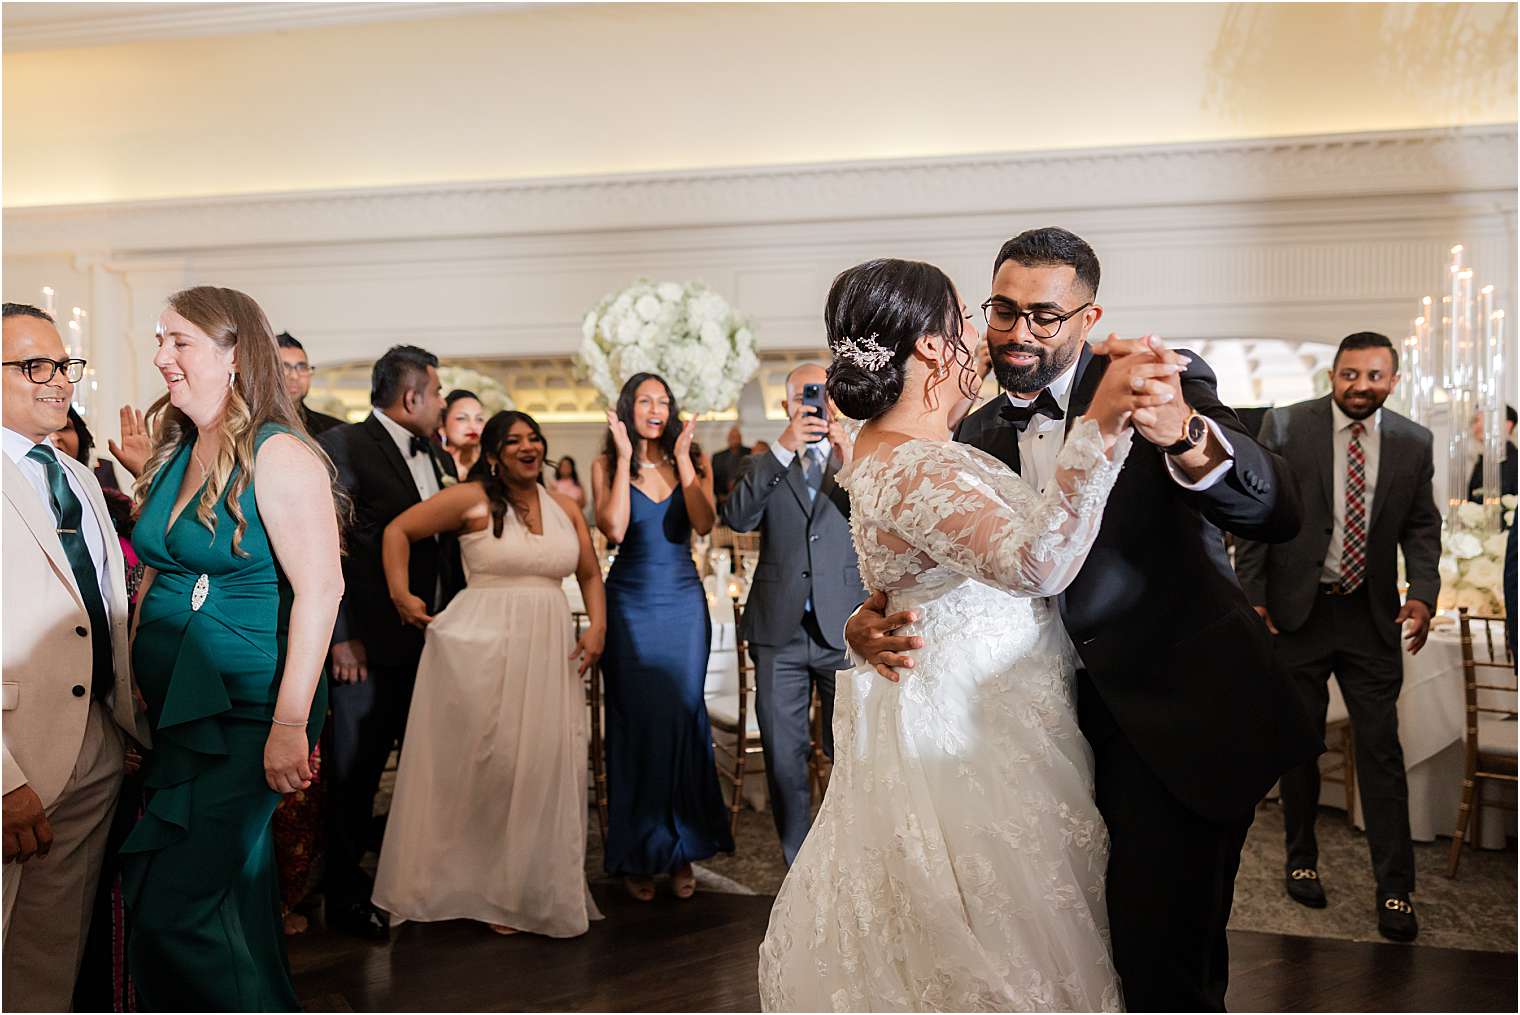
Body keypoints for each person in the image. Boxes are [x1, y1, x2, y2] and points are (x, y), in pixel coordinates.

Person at [843, 228, 1314, 1010]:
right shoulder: (968, 429)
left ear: (1088, 317)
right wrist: (869, 616)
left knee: (1164, 966)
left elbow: (1281, 508)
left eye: (1044, 316)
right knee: (1064, 954)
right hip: (1032, 740)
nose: (1018, 332)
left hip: (1169, 723)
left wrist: (1186, 436)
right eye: (1002, 310)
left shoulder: (1151, 383)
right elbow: (921, 548)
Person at [759, 258, 1190, 1009]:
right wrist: (1102, 424)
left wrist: (862, 616)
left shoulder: (905, 444)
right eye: (964, 316)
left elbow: (907, 572)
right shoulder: (909, 461)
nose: (981, 332)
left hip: (1017, 714)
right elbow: (1037, 561)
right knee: (988, 943)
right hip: (964, 739)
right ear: (929, 346)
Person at [117, 286, 342, 1010]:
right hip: (180, 711)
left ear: (235, 353)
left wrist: (289, 727)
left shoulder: (281, 455)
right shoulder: (182, 447)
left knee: (175, 910)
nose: (161, 358)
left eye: (179, 342)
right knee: (229, 902)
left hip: (245, 716)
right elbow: (157, 571)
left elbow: (322, 592)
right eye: (161, 340)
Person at [1235, 331, 1442, 943]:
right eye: (1350, 374)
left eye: (1374, 376)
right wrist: (1253, 594)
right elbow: (1257, 513)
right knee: (1300, 745)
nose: (1360, 387)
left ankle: (1396, 888)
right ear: (1334, 374)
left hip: (1370, 617)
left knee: (1381, 750)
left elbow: (1422, 527)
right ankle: (1300, 857)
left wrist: (1423, 592)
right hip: (1298, 612)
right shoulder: (1286, 425)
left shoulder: (1413, 441)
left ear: (1392, 380)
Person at [373, 411, 606, 937]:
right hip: (481, 648)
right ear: (496, 453)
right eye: (513, 440)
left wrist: (597, 629)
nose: (527, 446)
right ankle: (472, 884)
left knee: (544, 763)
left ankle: (526, 887)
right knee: (491, 766)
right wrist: (400, 593)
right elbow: (398, 531)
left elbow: (589, 573)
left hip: (548, 649)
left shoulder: (566, 506)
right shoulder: (469, 497)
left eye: (533, 438)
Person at [1, 303, 151, 1012]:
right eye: (34, 365)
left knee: (52, 951)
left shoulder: (79, 476)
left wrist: (119, 723)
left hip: (94, 744)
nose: (57, 380)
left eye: (63, 364)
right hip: (14, 754)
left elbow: (106, 603)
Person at [316, 345, 462, 939]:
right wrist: (342, 638)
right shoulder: (345, 447)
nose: (445, 401)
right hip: (367, 650)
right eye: (439, 391)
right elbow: (327, 547)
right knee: (354, 778)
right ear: (412, 397)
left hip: (431, 644)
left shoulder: (436, 452)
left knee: (427, 772)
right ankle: (344, 896)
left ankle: (415, 883)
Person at [592, 372, 734, 901]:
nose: (656, 407)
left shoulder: (693, 461)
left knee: (682, 714)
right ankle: (636, 853)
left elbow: (702, 523)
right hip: (628, 601)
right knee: (634, 722)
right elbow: (614, 529)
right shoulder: (607, 464)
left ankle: (681, 848)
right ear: (628, 408)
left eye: (664, 401)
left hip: (681, 602)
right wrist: (628, 456)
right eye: (645, 400)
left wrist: (683, 455)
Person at [721, 364, 863, 865]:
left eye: (824, 395)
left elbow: (879, 518)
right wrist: (781, 447)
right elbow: (737, 517)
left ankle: (849, 857)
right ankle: (799, 865)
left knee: (850, 750)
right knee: (784, 756)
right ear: (786, 407)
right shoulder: (766, 463)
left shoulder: (857, 455)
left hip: (844, 628)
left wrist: (850, 456)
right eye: (805, 397)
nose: (816, 404)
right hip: (777, 632)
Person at [1466, 404, 1517, 504]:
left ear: (1507, 425)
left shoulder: (1516, 460)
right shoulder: (1480, 462)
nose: (1475, 427)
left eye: (1479, 420)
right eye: (1475, 421)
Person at [439, 388, 486, 478]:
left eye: (479, 419)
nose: (473, 426)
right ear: (442, 426)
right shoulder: (434, 464)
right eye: (462, 418)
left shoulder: (492, 467)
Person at [710, 425, 751, 505]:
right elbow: (713, 478)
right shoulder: (718, 456)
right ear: (727, 438)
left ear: (741, 438)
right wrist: (719, 495)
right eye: (732, 436)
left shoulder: (749, 453)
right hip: (723, 500)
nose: (734, 439)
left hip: (744, 499)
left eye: (736, 436)